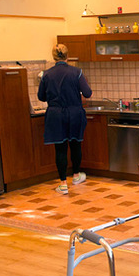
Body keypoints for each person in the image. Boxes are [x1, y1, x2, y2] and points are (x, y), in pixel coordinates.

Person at [37, 44, 93, 195]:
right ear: (67, 56)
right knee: (75, 144)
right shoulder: (76, 72)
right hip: (74, 113)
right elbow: (87, 93)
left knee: (60, 148)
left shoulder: (46, 74)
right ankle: (76, 176)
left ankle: (63, 184)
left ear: (53, 56)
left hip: (55, 115)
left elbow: (41, 97)